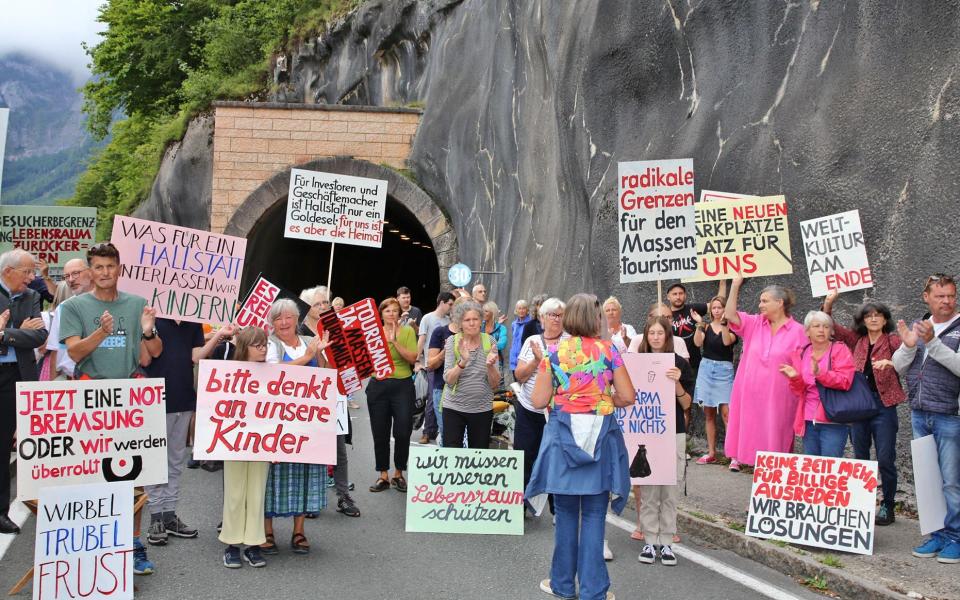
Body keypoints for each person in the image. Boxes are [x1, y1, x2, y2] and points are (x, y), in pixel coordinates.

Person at [60, 242, 161, 575]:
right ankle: (97, 545)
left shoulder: (135, 304)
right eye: (99, 267)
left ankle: (133, 545)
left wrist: (149, 330)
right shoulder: (74, 307)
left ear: (120, 268)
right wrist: (101, 333)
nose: (105, 273)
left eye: (110, 266)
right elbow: (74, 354)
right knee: (92, 474)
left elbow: (153, 353)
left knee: (133, 475)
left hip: (129, 396)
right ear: (90, 271)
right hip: (90, 397)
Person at [526, 293, 634, 600]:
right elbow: (627, 396)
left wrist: (571, 398)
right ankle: (594, 591)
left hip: (564, 438)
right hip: (600, 436)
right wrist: (598, 399)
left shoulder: (554, 352)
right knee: (594, 516)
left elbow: (537, 400)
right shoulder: (609, 350)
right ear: (595, 318)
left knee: (566, 515)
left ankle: (561, 585)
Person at [144, 319, 236, 546]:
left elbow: (196, 357)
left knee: (175, 461)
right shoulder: (154, 319)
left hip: (183, 397)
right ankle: (155, 516)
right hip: (155, 398)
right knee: (155, 462)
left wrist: (219, 335)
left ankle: (168, 514)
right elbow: (147, 357)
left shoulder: (192, 323)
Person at [893, 273, 960, 563]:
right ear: (926, 297)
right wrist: (909, 345)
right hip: (920, 413)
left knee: (951, 482)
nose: (947, 301)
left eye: (951, 296)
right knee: (929, 480)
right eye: (940, 296)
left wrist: (932, 344)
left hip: (950, 415)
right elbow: (897, 367)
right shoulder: (922, 326)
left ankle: (956, 537)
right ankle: (938, 534)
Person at [823, 291, 904, 525]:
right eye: (869, 316)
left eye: (878, 315)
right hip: (859, 407)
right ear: (863, 320)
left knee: (886, 458)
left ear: (885, 319)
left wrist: (893, 362)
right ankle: (862, 505)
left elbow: (909, 354)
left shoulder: (892, 341)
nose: (874, 319)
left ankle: (887, 505)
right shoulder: (855, 340)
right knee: (860, 458)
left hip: (884, 405)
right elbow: (832, 328)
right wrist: (829, 303)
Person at [262, 298, 332, 555]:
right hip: (276, 421)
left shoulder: (307, 342)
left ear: (296, 320)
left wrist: (320, 354)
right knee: (271, 476)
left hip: (305, 421)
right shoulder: (270, 344)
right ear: (272, 322)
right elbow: (273, 372)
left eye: (288, 317)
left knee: (304, 473)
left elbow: (323, 374)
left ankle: (299, 531)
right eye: (278, 318)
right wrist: (307, 357)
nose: (283, 322)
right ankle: (266, 530)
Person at [723, 275, 807, 472]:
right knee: (754, 445)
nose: (760, 305)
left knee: (776, 446)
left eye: (764, 301)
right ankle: (761, 497)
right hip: (750, 397)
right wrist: (735, 285)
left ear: (780, 303)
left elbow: (804, 366)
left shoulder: (799, 331)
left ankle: (774, 496)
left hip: (780, 399)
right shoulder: (754, 323)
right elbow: (729, 314)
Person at [634, 317, 694, 567]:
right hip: (647, 432)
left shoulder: (679, 363)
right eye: (652, 333)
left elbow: (687, 404)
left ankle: (667, 542)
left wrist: (677, 382)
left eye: (661, 333)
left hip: (673, 431)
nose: (656, 337)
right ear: (646, 336)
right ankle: (649, 540)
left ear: (668, 336)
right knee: (648, 492)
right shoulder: (635, 363)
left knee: (669, 491)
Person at [297, 286, 361, 518]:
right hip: (308, 397)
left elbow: (346, 360)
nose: (324, 307)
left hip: (334, 396)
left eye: (326, 302)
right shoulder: (299, 331)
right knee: (312, 449)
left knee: (338, 449)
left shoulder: (336, 329)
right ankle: (310, 499)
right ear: (307, 308)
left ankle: (343, 496)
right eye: (318, 304)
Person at [0, 249, 47, 535]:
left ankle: (1, 512)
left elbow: (40, 335)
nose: (32, 279)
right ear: (8, 271)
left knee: (5, 445)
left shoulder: (31, 297)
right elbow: (28, 334)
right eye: (27, 272)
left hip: (17, 376)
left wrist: (5, 333)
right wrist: (22, 331)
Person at [220, 327, 271, 569]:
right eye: (257, 344)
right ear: (244, 347)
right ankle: (231, 545)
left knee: (257, 493)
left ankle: (253, 545)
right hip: (235, 441)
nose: (263, 348)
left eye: (264, 344)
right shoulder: (228, 372)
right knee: (235, 492)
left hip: (262, 442)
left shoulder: (274, 374)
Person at [514, 297, 568, 516]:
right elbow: (519, 375)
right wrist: (536, 361)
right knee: (524, 456)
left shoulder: (571, 343)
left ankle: (558, 510)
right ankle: (519, 505)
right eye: (551, 315)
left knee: (557, 460)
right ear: (542, 318)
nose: (556, 319)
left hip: (558, 412)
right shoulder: (532, 341)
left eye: (560, 315)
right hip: (529, 410)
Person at [779, 311, 855, 457]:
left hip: (833, 417)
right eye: (816, 326)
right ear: (807, 331)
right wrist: (795, 378)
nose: (821, 330)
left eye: (826, 327)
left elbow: (845, 381)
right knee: (812, 467)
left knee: (830, 466)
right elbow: (799, 391)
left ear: (832, 331)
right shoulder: (801, 353)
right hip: (808, 418)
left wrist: (821, 373)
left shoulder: (840, 349)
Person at [367, 297, 418, 492]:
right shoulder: (373, 334)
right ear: (381, 314)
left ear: (400, 313)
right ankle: (383, 475)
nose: (391, 314)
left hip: (402, 385)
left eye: (395, 311)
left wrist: (394, 341)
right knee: (380, 432)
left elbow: (412, 358)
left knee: (403, 431)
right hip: (378, 385)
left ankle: (399, 473)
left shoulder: (407, 332)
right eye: (387, 311)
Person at [442, 300, 500, 449]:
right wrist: (463, 361)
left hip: (482, 409)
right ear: (460, 323)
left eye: (475, 319)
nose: (472, 323)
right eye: (467, 320)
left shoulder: (490, 341)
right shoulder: (452, 342)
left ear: (481, 321)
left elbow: (495, 384)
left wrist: (490, 366)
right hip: (454, 408)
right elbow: (448, 380)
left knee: (478, 454)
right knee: (452, 453)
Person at [691, 296, 738, 464]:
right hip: (706, 369)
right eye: (715, 308)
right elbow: (697, 343)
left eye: (720, 307)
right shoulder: (705, 326)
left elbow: (727, 342)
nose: (717, 310)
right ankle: (711, 453)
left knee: (727, 414)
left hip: (724, 371)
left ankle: (733, 456)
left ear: (726, 309)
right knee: (709, 413)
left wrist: (725, 324)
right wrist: (699, 324)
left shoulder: (733, 328)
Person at [44, 258, 94, 380]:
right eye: (66, 276)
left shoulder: (111, 305)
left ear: (91, 273)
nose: (71, 279)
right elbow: (55, 351)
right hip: (71, 381)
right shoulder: (63, 308)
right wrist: (53, 389)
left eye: (76, 273)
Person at [417, 292, 455, 443]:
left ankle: (438, 429)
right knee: (432, 399)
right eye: (450, 304)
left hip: (447, 364)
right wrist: (417, 360)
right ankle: (427, 432)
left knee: (443, 398)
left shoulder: (448, 321)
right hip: (431, 363)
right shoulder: (428, 318)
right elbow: (422, 339)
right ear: (442, 302)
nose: (451, 308)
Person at [38, 281, 70, 380]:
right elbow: (41, 349)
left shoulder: (45, 317)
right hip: (55, 367)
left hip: (56, 368)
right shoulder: (48, 317)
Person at [508, 300, 531, 376]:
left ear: (527, 310)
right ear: (516, 310)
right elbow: (514, 341)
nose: (521, 311)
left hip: (524, 359)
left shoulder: (530, 323)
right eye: (519, 308)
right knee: (516, 384)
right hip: (514, 359)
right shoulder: (514, 324)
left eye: (523, 308)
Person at [482, 300, 508, 367]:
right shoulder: (479, 326)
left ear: (492, 313)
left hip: (495, 362)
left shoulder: (501, 328)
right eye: (483, 311)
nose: (483, 313)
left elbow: (502, 345)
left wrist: (485, 346)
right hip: (480, 362)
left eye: (486, 311)